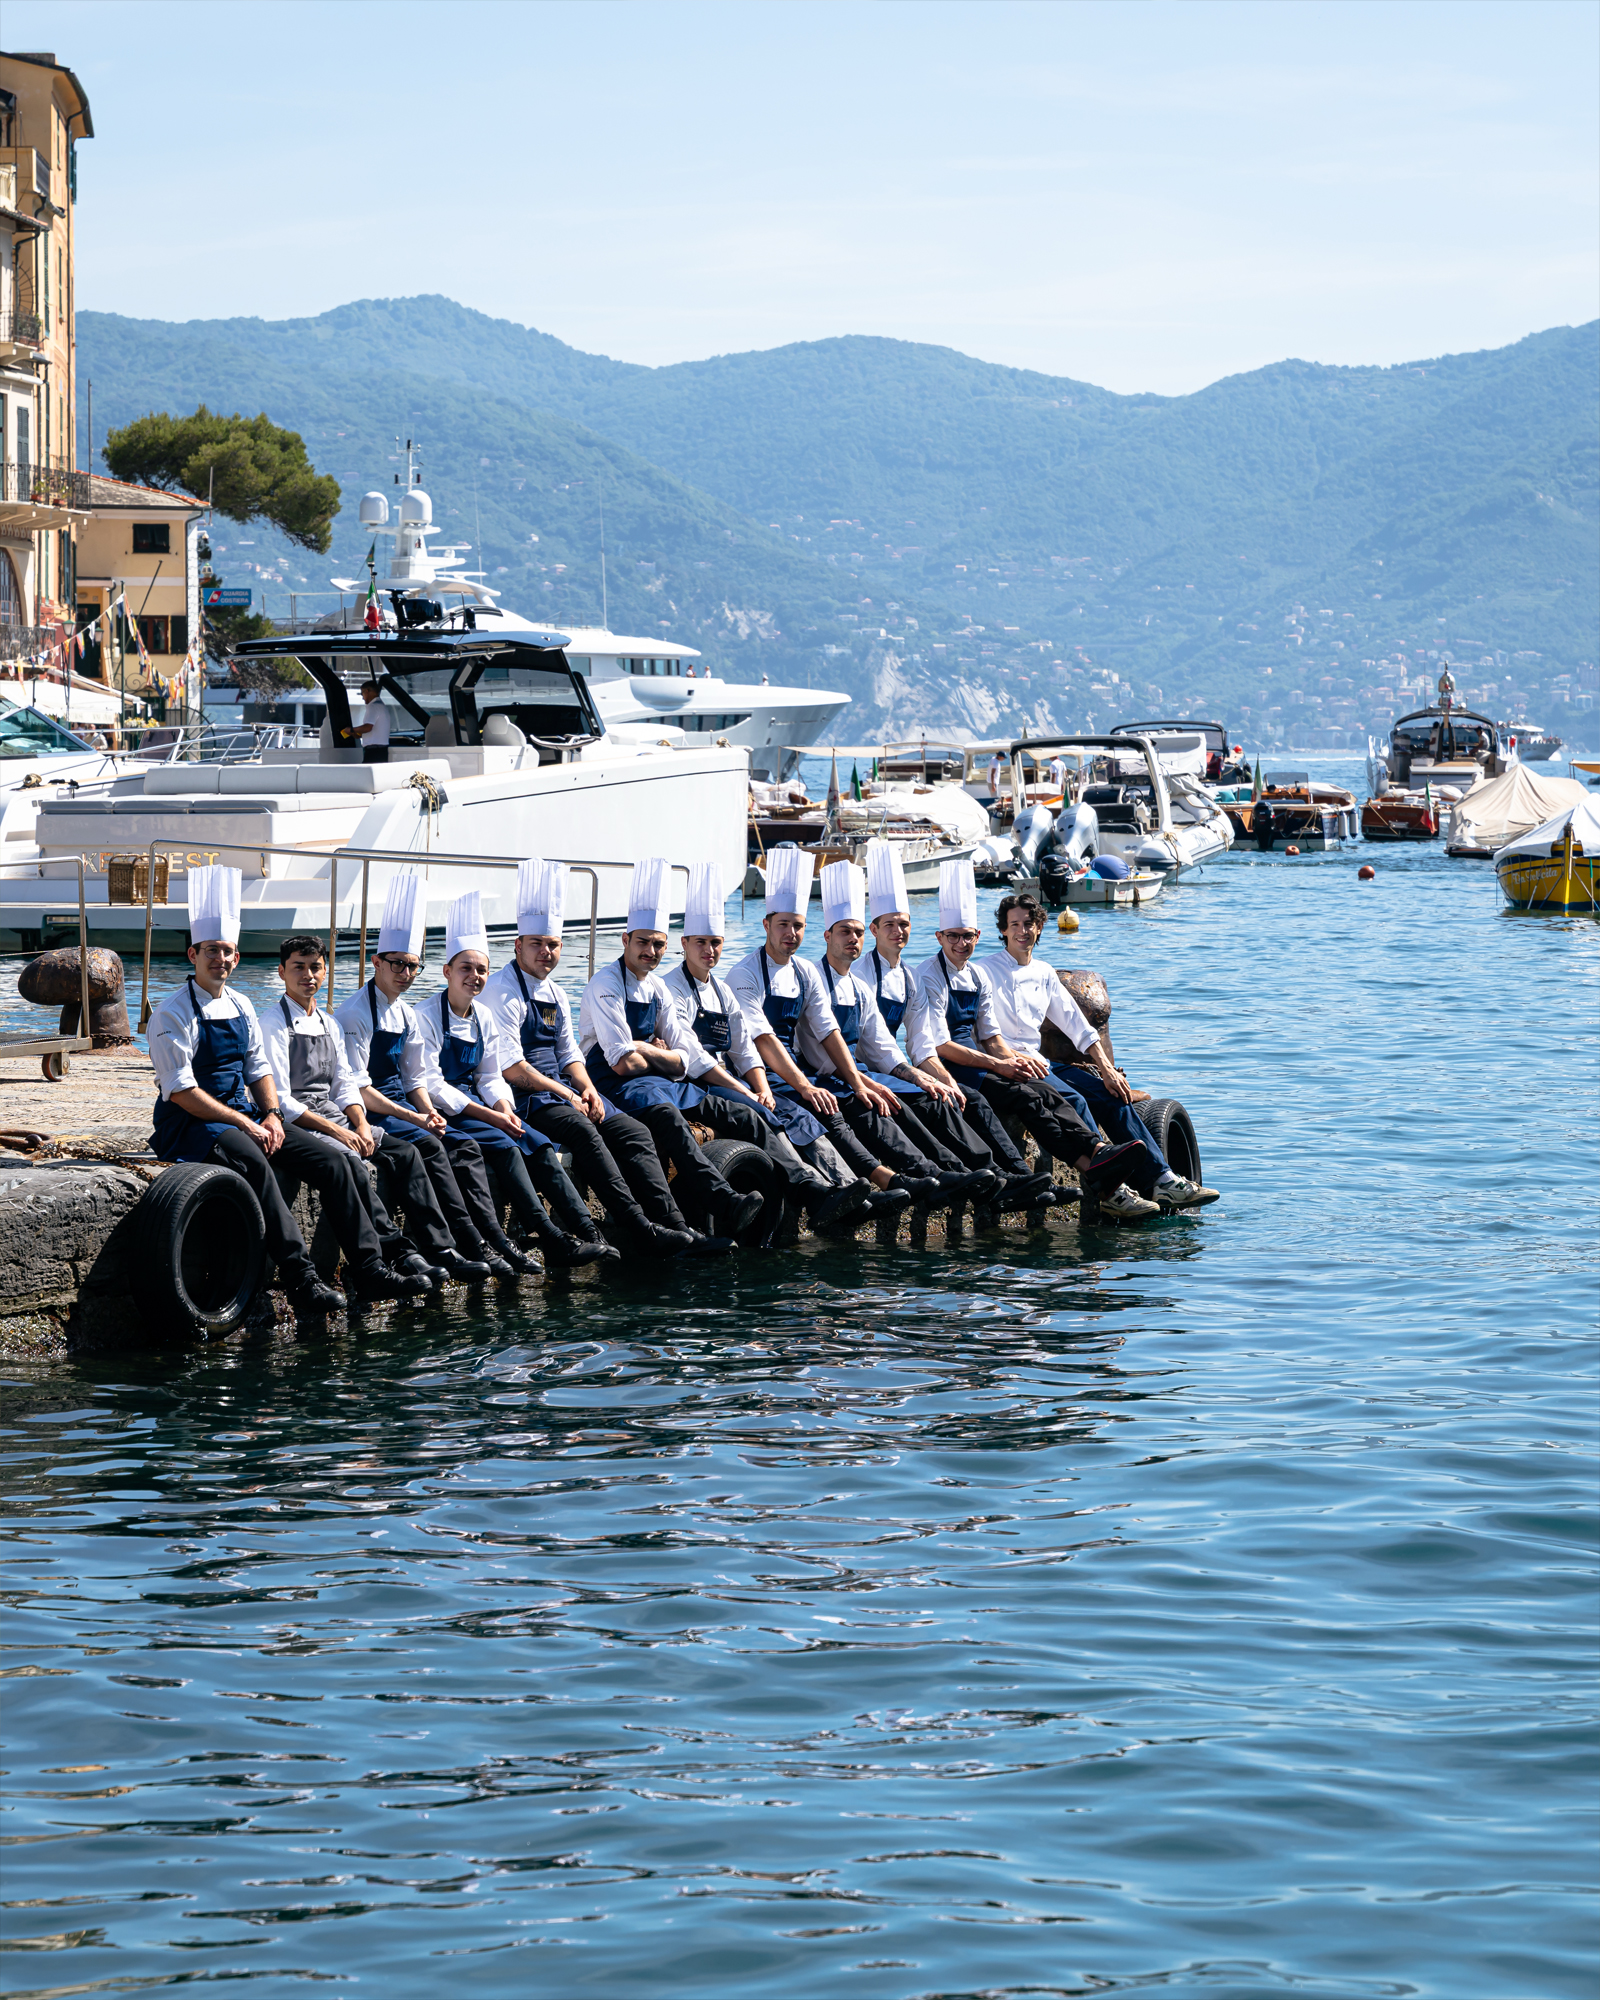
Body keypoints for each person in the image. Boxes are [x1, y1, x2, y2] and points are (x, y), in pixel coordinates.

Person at [147, 865, 411, 1317]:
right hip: (192, 1124)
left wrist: (270, 1114)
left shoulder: (242, 1004)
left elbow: (258, 1067)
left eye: (228, 951)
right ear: (192, 954)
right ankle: (299, 1277)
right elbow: (181, 1091)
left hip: (243, 1114)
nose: (221, 959)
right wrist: (245, 1121)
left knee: (332, 1162)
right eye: (212, 950)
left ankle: (369, 1266)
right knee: (255, 1162)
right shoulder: (171, 1014)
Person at [482, 858, 711, 1259]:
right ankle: (638, 1228)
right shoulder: (503, 991)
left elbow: (569, 1052)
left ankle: (676, 1227)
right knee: (585, 1133)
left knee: (633, 1133)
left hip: (564, 1088)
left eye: (552, 944)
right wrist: (570, 1095)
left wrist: (586, 1088)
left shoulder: (554, 992)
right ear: (517, 945)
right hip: (524, 1096)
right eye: (536, 944)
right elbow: (512, 1067)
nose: (545, 952)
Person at [915, 858, 1164, 1219]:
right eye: (952, 936)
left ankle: (1135, 1170)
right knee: (1036, 1098)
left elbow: (993, 1033)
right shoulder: (934, 975)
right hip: (952, 1064)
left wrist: (1014, 1060)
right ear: (939, 937)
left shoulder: (978, 975)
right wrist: (1004, 1062)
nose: (961, 943)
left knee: (1060, 1092)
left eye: (967, 935)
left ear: (978, 936)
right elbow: (939, 1045)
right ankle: (1072, 1172)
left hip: (998, 1059)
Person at [332, 873, 534, 1279]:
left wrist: (427, 1111)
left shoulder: (406, 1013)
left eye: (411, 965)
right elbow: (357, 1087)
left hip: (399, 1103)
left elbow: (414, 1079)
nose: (405, 972)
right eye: (397, 964)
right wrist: (415, 1118)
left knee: (457, 1144)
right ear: (376, 962)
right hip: (365, 1107)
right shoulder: (355, 1013)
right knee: (430, 1147)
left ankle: (482, 1241)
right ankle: (456, 1245)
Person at [660, 859, 873, 1232]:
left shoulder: (723, 991)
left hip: (730, 1077)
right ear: (684, 944)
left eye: (715, 943)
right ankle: (815, 1190)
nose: (709, 950)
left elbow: (743, 1046)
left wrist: (760, 1086)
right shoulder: (671, 987)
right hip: (695, 1082)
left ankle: (840, 1190)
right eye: (701, 943)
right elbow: (692, 1055)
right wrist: (748, 1089)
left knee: (788, 1110)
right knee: (764, 1115)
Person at [978, 891, 1218, 1212]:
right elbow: (981, 1029)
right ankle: (1111, 1191)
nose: (1023, 931)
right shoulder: (984, 971)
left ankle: (1163, 1180)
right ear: (1003, 930)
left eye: (1029, 923)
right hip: (1008, 1065)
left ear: (1039, 927)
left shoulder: (1045, 972)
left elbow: (1078, 1026)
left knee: (1113, 1096)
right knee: (1074, 1100)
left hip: (1043, 1062)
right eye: (1015, 924)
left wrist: (1107, 1070)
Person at [576, 857, 766, 1250]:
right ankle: (720, 1203)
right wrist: (659, 1054)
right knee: (664, 1117)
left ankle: (790, 1192)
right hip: (615, 1084)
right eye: (643, 941)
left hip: (659, 1081)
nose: (650, 951)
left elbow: (686, 1055)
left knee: (738, 1113)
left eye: (658, 943)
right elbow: (620, 1062)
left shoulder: (659, 989)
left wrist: (646, 1049)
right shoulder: (605, 983)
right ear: (626, 939)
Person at [417, 890, 612, 1270]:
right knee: (507, 1146)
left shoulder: (482, 1017)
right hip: (448, 1108)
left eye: (481, 970)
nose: (475, 977)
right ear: (446, 972)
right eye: (465, 969)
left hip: (480, 1103)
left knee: (533, 1142)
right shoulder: (425, 1016)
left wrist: (504, 1108)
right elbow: (432, 1084)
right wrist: (492, 1116)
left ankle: (586, 1231)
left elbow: (490, 1075)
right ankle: (552, 1238)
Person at [862, 839, 1056, 1216]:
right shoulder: (862, 976)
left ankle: (1006, 1176)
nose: (898, 931)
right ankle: (991, 1177)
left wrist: (938, 1077)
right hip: (863, 1069)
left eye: (903, 924)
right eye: (890, 925)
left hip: (896, 1066)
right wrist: (927, 1078)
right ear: (874, 929)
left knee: (950, 1095)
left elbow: (922, 1045)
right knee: (947, 1098)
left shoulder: (908, 978)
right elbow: (876, 1044)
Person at [722, 849, 911, 1220]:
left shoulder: (805, 971)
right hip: (754, 1071)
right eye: (783, 925)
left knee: (836, 1105)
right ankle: (856, 1187)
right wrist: (806, 1086)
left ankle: (864, 1189)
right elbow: (762, 1038)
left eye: (798, 926)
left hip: (788, 1069)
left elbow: (828, 1029)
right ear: (766, 924)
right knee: (807, 1110)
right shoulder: (743, 974)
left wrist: (857, 1082)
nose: (791, 934)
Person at [262, 930, 454, 1290]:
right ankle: (389, 1253)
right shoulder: (272, 1025)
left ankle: (435, 1249)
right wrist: (339, 1132)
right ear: (281, 972)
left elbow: (344, 1084)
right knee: (349, 1162)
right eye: (298, 967)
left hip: (332, 1112)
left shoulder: (329, 1023)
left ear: (326, 972)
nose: (308, 976)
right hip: (302, 1120)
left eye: (316, 967)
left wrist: (361, 1123)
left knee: (406, 1152)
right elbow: (282, 1101)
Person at [807, 859, 999, 1208]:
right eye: (845, 932)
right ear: (827, 936)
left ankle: (980, 1175)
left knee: (932, 1096)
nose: (853, 940)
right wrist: (865, 1082)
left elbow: (884, 1045)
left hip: (862, 1071)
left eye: (857, 933)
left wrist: (923, 1077)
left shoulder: (892, 981)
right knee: (889, 1105)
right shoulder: (816, 978)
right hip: (830, 1074)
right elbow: (823, 1045)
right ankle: (942, 1176)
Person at [349, 678, 390, 763]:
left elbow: (368, 727)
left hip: (373, 751)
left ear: (367, 691)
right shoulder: (381, 706)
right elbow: (374, 731)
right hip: (382, 750)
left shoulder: (373, 706)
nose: (362, 697)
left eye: (362, 693)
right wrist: (357, 734)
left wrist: (351, 730)